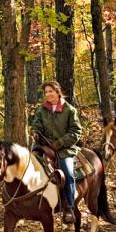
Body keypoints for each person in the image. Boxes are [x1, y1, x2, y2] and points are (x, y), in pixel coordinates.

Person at [31, 81, 82, 224]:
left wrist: (59, 143)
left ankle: (69, 207)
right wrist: (35, 133)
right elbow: (36, 125)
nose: (48, 94)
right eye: (46, 92)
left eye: (50, 91)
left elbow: (76, 132)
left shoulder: (70, 110)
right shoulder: (42, 110)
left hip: (64, 149)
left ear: (57, 92)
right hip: (44, 146)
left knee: (68, 174)